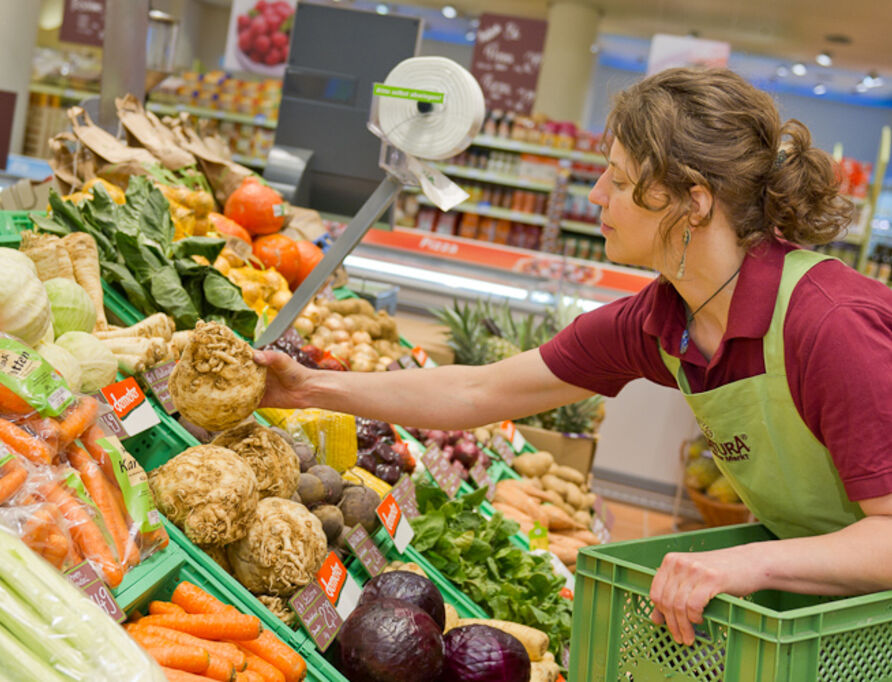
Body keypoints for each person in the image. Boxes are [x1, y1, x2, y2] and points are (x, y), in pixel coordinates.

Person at [254, 67, 892, 647]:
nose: (594, 194)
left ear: (694, 201)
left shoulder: (831, 326)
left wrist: (752, 562)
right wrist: (311, 389)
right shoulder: (665, 317)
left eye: (617, 177)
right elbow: (480, 393)